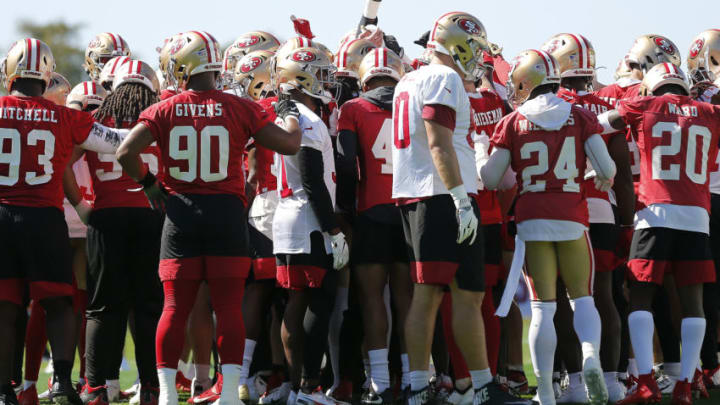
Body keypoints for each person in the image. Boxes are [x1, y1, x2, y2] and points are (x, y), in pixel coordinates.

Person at [115, 30, 302, 405]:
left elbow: (124, 153)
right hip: (227, 216)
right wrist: (291, 113)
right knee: (230, 305)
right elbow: (290, 144)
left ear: (183, 65)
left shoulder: (165, 108)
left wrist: (150, 184)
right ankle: (230, 392)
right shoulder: (238, 107)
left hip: (180, 213)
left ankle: (167, 394)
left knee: (174, 306)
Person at [391, 12, 524, 405]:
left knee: (463, 292)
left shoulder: (410, 78)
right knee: (433, 294)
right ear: (458, 44)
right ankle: (425, 387)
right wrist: (459, 197)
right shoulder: (442, 77)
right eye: (476, 47)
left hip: (428, 194)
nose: (480, 55)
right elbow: (438, 142)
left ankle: (477, 386)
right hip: (439, 196)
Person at [0, 38, 136, 405]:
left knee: (6, 307)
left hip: (3, 216)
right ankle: (62, 381)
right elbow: (115, 142)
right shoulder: (65, 116)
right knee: (60, 304)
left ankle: (4, 390)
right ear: (46, 75)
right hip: (44, 220)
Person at [481, 49, 616, 405]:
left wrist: (481, 154)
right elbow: (607, 167)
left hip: (532, 218)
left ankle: (544, 392)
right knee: (583, 298)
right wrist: (601, 178)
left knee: (543, 307)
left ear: (526, 82)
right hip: (572, 216)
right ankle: (590, 356)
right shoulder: (581, 115)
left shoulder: (512, 121)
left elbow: (492, 178)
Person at [598, 63, 720, 405]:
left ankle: (648, 383)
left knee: (639, 295)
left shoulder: (643, 104)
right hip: (697, 214)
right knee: (693, 300)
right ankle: (685, 385)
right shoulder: (711, 112)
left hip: (655, 211)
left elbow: (598, 124)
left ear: (650, 87)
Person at [63, 60, 165, 405]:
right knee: (150, 307)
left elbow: (63, 163)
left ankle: (95, 388)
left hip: (106, 218)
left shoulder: (95, 123)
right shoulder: (159, 119)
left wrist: (80, 206)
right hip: (151, 217)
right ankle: (152, 386)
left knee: (102, 309)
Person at [542, 33, 636, 403]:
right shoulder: (604, 106)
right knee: (604, 297)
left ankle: (578, 380)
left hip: (563, 210)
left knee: (563, 301)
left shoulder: (548, 105)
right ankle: (612, 380)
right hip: (602, 211)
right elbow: (622, 175)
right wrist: (627, 224)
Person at [269, 46, 349, 405]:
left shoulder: (287, 115)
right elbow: (314, 181)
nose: (327, 79)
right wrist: (333, 229)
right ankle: (310, 386)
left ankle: (295, 386)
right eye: (320, 72)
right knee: (320, 301)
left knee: (295, 304)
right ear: (302, 77)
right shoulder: (307, 119)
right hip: (309, 222)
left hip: (289, 219)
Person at [335, 47, 412, 405]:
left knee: (370, 299)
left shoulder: (353, 108)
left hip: (372, 212)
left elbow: (347, 166)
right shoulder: (411, 103)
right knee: (408, 299)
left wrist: (345, 211)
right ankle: (414, 377)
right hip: (411, 212)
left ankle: (379, 380)